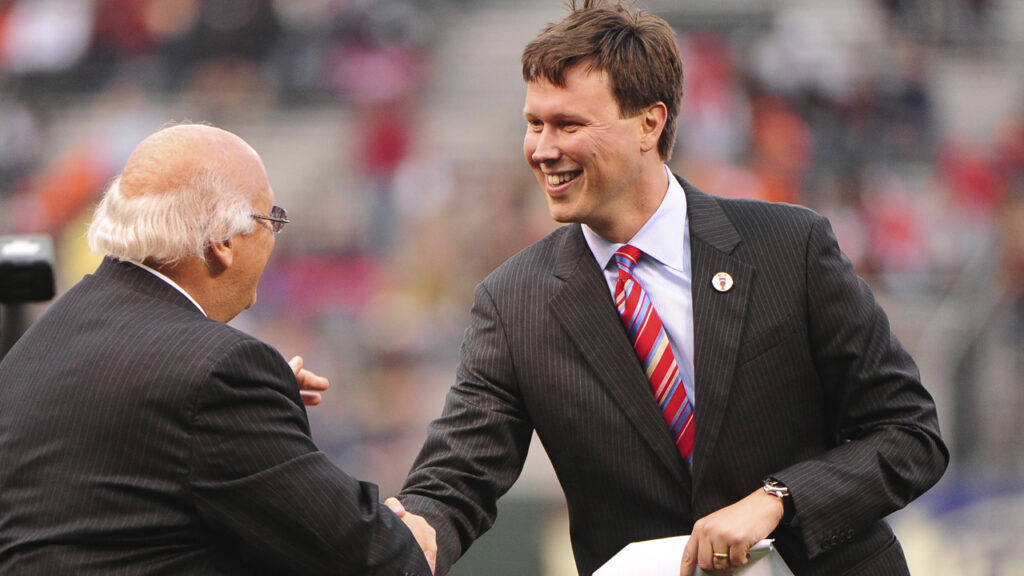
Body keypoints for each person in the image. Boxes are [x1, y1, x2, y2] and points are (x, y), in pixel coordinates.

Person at [397, 2, 948, 575]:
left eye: (569, 125)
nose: (542, 149)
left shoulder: (791, 247)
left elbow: (909, 434)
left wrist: (777, 499)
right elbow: (457, 476)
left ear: (650, 124)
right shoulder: (512, 303)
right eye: (535, 123)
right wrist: (416, 525)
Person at [0, 123, 436, 575]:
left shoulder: (33, 350)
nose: (274, 239)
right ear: (221, 242)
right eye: (272, 221)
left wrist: (260, 402)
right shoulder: (217, 374)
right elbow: (372, 555)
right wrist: (412, 536)